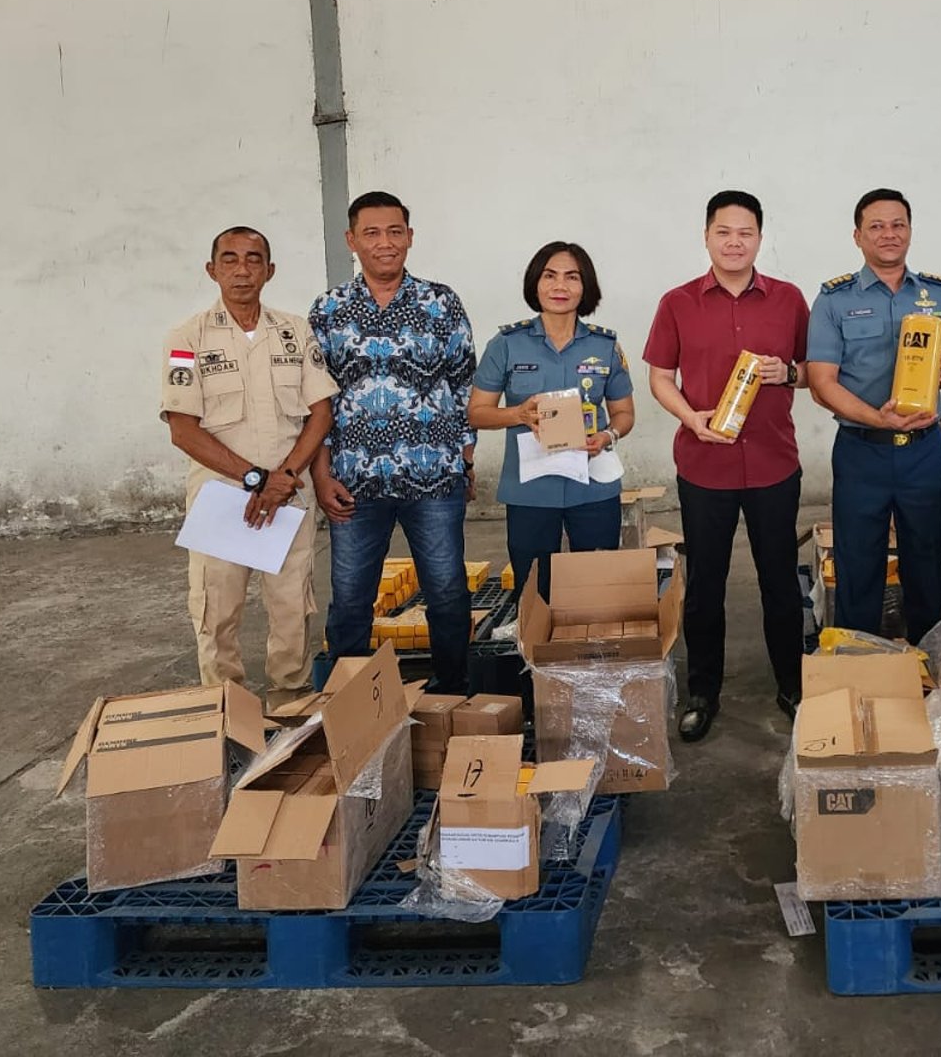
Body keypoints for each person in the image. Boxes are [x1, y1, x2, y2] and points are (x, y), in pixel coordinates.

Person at [644, 191, 810, 741]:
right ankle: (702, 692)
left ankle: (792, 685)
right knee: (706, 584)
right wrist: (691, 417)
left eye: (745, 232)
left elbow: (813, 371)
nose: (734, 242)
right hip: (704, 465)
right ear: (707, 236)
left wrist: (785, 372)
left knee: (780, 582)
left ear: (760, 238)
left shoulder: (789, 300)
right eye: (723, 232)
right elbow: (660, 377)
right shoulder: (677, 302)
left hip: (772, 463)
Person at [160, 226, 337, 710]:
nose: (242, 270)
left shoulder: (295, 331)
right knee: (217, 612)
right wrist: (256, 478)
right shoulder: (186, 339)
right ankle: (228, 712)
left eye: (254, 259)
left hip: (287, 496)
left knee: (291, 609)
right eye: (231, 259)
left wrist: (284, 478)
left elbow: (320, 411)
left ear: (270, 270)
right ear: (212, 269)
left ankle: (291, 704)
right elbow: (183, 428)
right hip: (222, 500)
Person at [309, 191, 478, 694]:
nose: (385, 243)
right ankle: (352, 704)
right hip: (353, 484)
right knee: (351, 599)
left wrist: (464, 460)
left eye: (395, 232)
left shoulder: (440, 302)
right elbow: (314, 400)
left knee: (447, 593)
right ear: (352, 240)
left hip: (435, 479)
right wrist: (320, 474)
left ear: (409, 236)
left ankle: (451, 696)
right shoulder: (329, 310)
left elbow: (465, 382)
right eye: (372, 233)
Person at [805, 188, 941, 645]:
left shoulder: (938, 295)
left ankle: (930, 666)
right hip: (863, 451)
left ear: (911, 231)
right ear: (858, 236)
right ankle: (864, 673)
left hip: (924, 451)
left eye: (898, 224)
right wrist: (879, 421)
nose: (889, 234)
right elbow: (823, 381)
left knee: (928, 562)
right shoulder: (833, 300)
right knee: (859, 567)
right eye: (876, 226)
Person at [468, 241, 635, 596]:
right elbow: (476, 412)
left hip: (593, 487)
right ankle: (536, 652)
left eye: (572, 277)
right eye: (550, 276)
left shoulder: (604, 346)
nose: (560, 286)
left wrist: (608, 437)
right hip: (531, 490)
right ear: (535, 283)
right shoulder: (507, 344)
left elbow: (624, 413)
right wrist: (517, 414)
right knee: (534, 594)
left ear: (585, 286)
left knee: (596, 591)